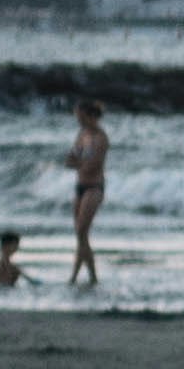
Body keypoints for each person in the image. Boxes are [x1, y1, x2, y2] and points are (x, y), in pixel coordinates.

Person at [62, 96, 110, 286]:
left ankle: (76, 276)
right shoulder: (82, 135)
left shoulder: (101, 138)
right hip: (80, 186)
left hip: (94, 187)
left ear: (91, 116)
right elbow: (69, 159)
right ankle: (91, 276)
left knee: (82, 230)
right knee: (80, 234)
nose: (78, 121)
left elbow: (93, 165)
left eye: (81, 117)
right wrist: (80, 163)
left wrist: (79, 163)